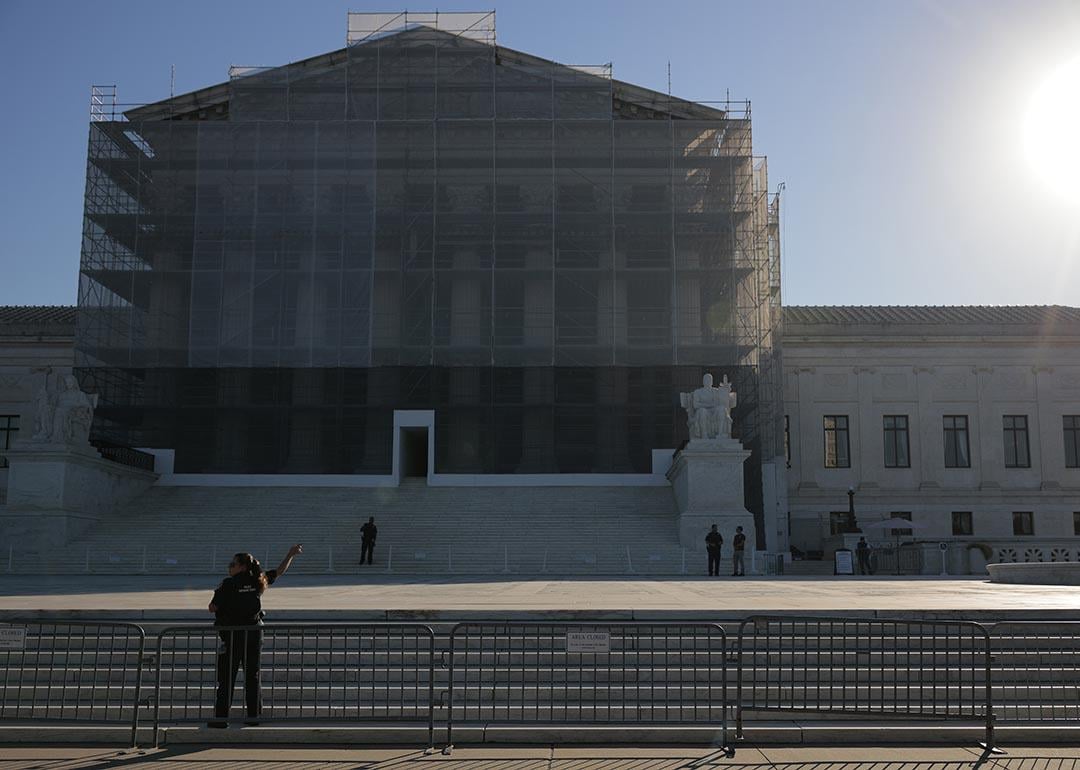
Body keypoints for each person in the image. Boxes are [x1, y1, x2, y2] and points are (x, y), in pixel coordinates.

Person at [207, 543, 303, 727]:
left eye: (233, 564)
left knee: (227, 678)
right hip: (253, 636)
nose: (230, 566)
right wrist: (290, 553)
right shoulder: (258, 580)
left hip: (232, 636)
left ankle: (221, 719)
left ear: (242, 566)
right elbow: (279, 572)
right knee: (253, 677)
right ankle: (253, 717)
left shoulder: (228, 584)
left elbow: (212, 608)